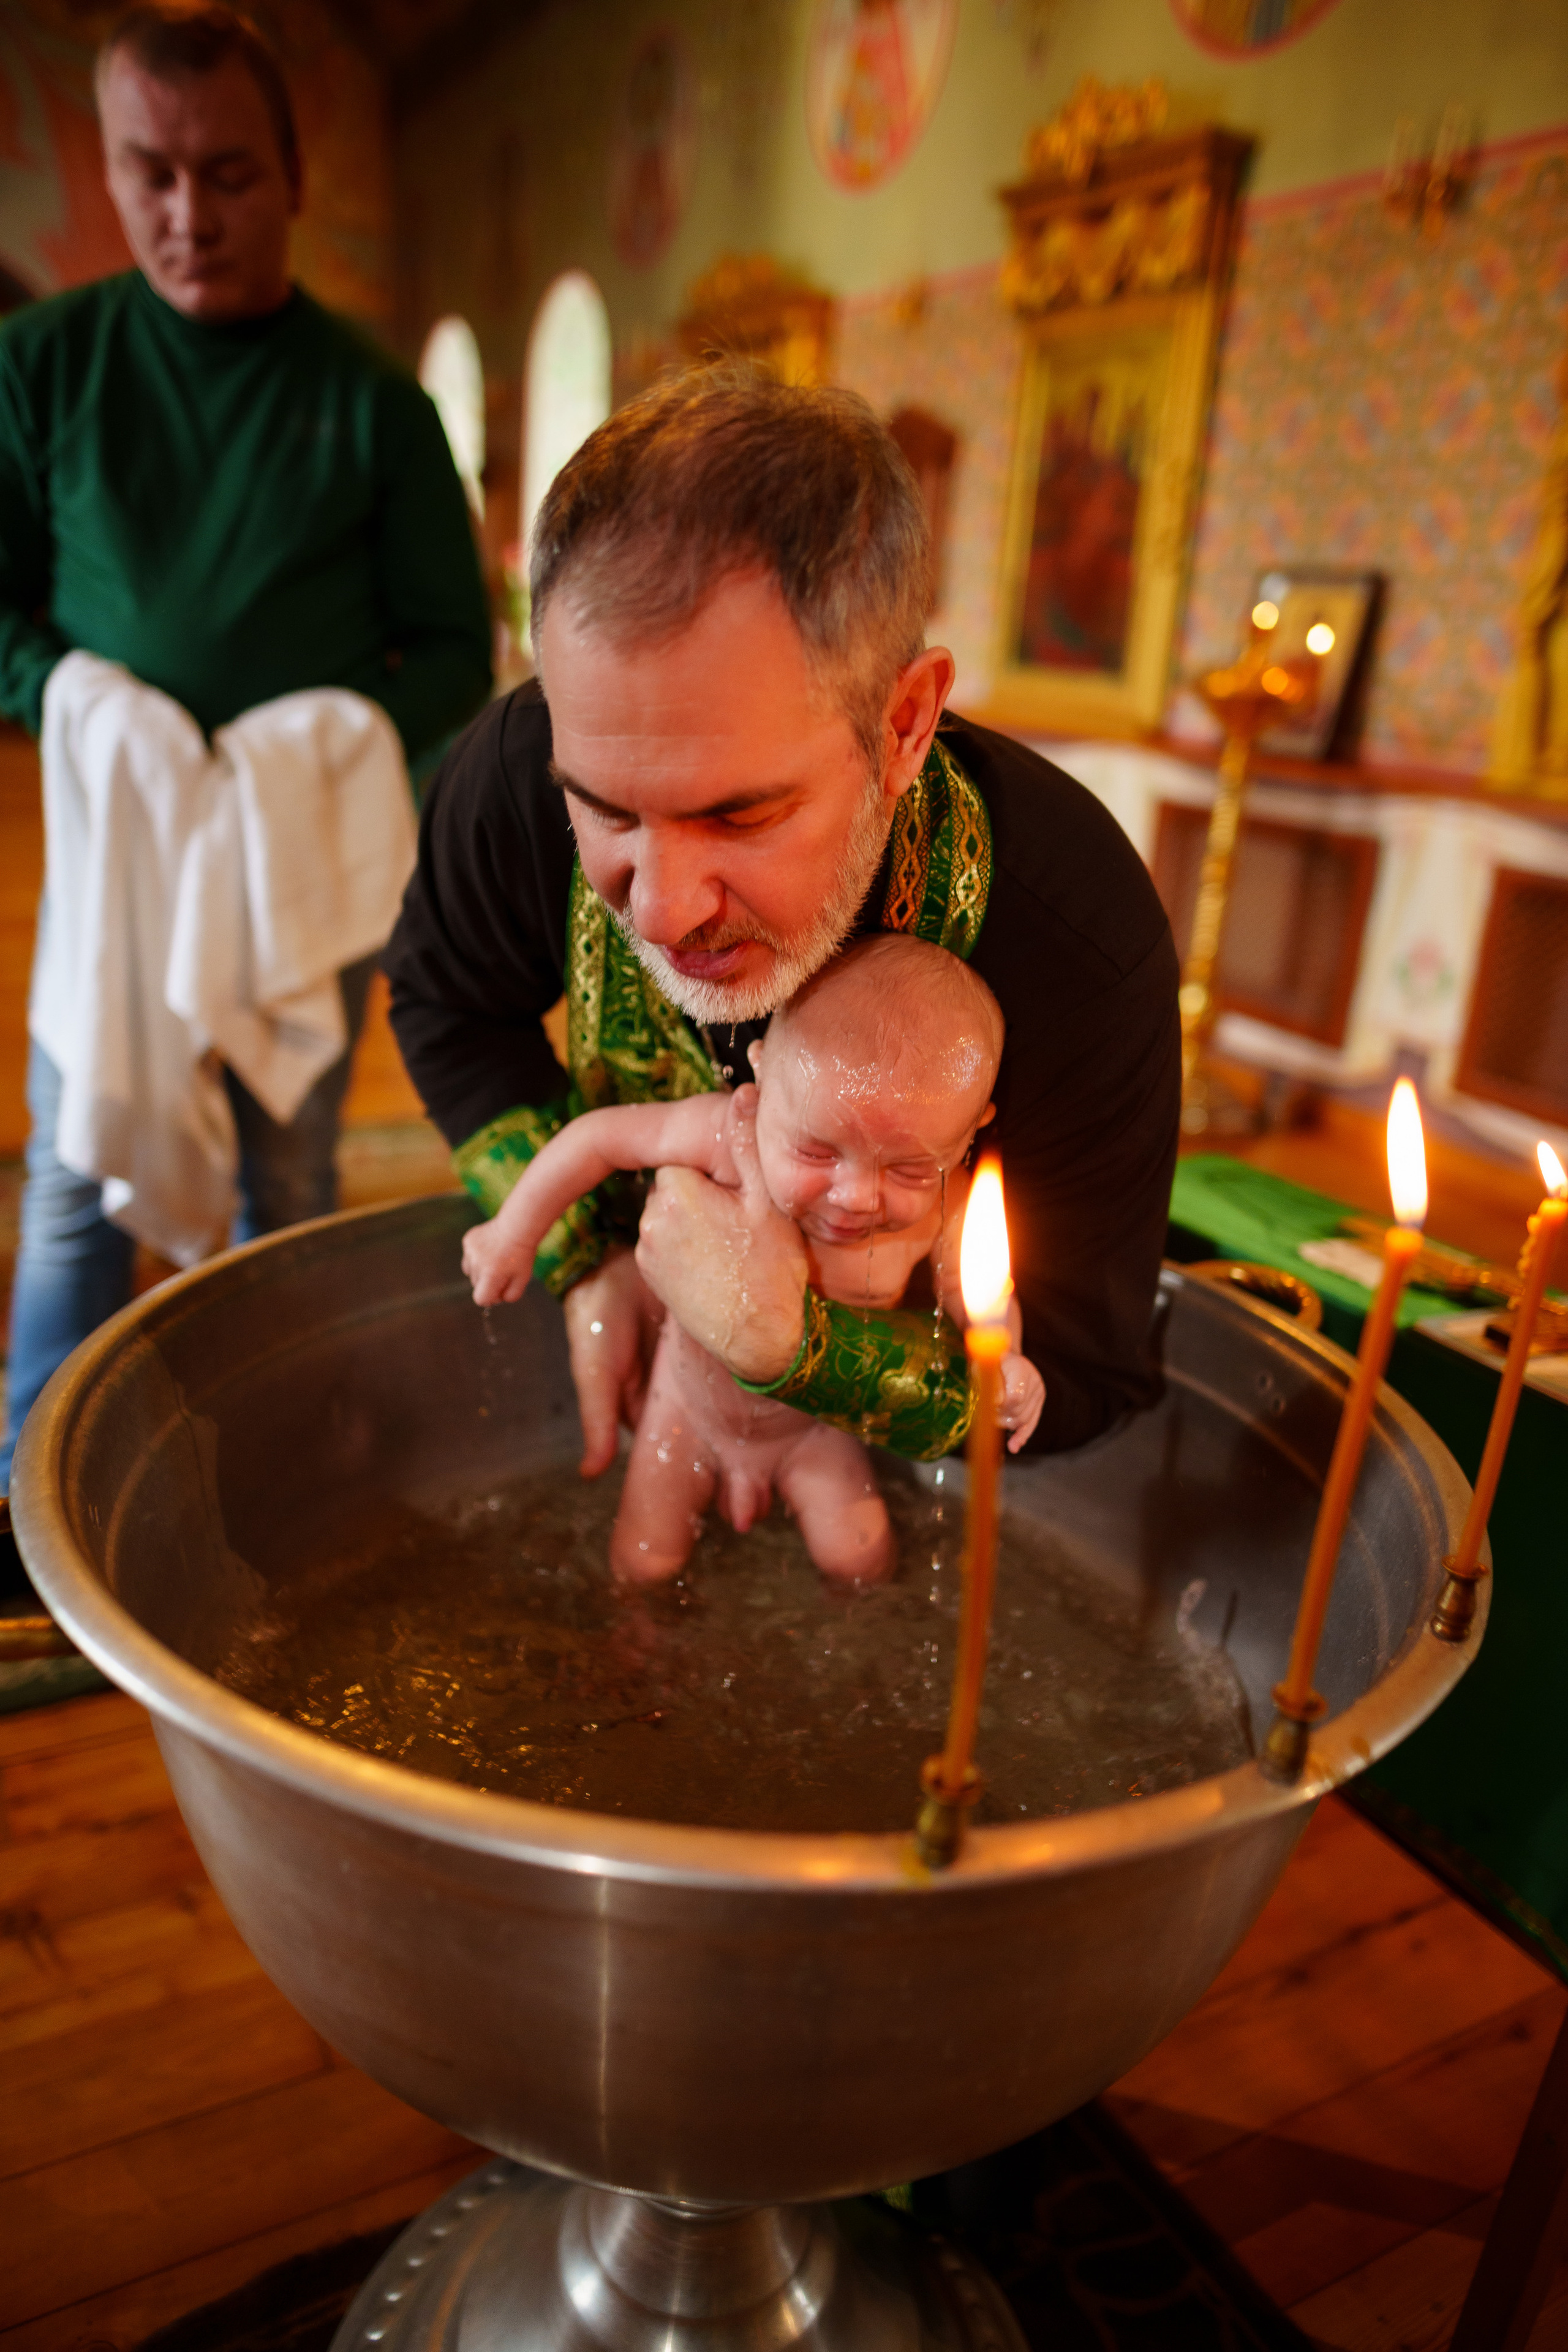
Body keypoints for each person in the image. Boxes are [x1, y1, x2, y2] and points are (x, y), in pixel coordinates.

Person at [385, 369, 1179, 1485]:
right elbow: (449, 1003)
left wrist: (796, 1355)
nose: (656, 910)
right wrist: (590, 1257)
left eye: (740, 813)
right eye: (605, 810)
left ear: (903, 725)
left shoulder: (1076, 934)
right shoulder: (517, 769)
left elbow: (1086, 1372)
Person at [0, 3, 491, 1489]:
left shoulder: (374, 404)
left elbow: (454, 651)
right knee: (81, 1166)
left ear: (291, 175)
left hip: (302, 861)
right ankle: (28, 1493)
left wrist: (315, 747)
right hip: (111, 845)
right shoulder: (42, 366)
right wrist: (86, 706)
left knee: (288, 1172)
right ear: (110, 163)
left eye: (224, 173)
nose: (184, 212)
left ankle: (275, 1469)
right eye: (148, 171)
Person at [462, 935, 1046, 1583]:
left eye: (909, 1169)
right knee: (644, 1557)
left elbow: (983, 1292)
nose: (855, 1197)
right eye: (817, 1153)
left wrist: (1010, 1359)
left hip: (814, 1430)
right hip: (686, 1410)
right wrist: (513, 1233)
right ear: (763, 1077)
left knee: (860, 1558)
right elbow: (601, 1139)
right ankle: (635, 1652)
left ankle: (854, 1667)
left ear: (970, 1130)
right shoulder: (728, 1132)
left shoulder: (950, 1208)